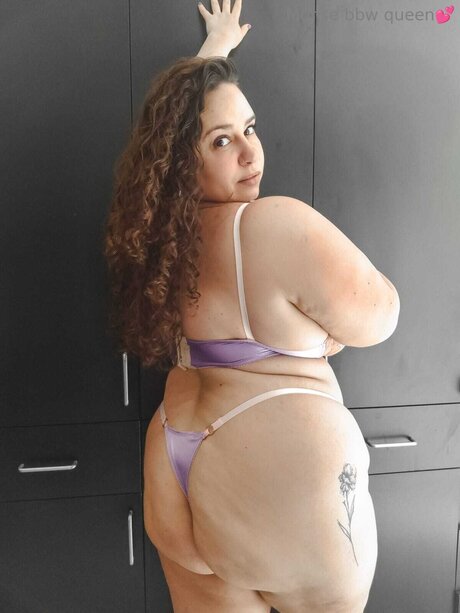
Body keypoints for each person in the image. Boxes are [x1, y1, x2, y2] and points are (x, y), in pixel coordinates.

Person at [105, 1, 400, 611]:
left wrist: (212, 55)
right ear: (184, 160)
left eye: (251, 128)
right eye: (223, 141)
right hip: (285, 501)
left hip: (175, 472)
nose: (249, 153)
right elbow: (380, 315)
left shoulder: (156, 240)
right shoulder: (272, 225)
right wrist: (322, 333)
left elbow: (171, 131)